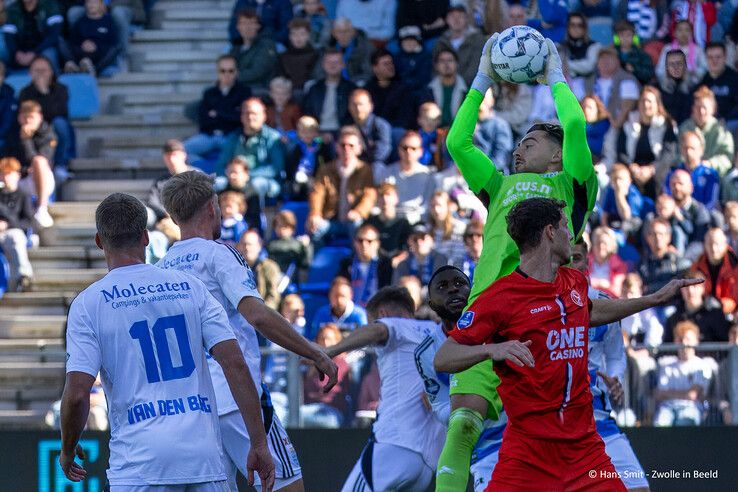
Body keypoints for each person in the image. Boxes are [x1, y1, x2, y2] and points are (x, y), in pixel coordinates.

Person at [434, 197, 698, 490]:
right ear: (549, 232)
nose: (570, 236)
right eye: (564, 227)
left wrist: (652, 300)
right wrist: (491, 349)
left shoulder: (574, 282)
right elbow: (444, 357)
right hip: (528, 456)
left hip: (584, 451)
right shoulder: (500, 298)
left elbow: (591, 311)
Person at [437, 35, 599, 489]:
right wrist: (482, 78)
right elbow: (457, 143)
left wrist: (555, 77)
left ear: (555, 153)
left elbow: (575, 126)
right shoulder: (499, 186)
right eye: (519, 144)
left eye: (530, 143)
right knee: (463, 426)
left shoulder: (574, 183)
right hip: (490, 314)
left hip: (546, 321)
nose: (518, 150)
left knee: (549, 444)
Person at [59, 192, 275, 490]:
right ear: (146, 237)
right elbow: (235, 363)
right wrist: (259, 443)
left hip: (139, 467)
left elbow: (77, 393)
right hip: (205, 462)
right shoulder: (191, 288)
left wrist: (68, 449)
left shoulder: (88, 304)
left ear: (99, 241)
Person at [158, 171, 338, 491]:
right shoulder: (219, 254)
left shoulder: (161, 267)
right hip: (236, 399)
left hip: (189, 407)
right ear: (212, 207)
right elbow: (257, 316)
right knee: (285, 486)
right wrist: (314, 352)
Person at [326, 287, 447, 492]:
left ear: (382, 315)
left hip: (393, 446)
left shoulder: (394, 326)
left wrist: (329, 351)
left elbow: (379, 330)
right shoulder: (440, 334)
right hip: (427, 463)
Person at [416, 266, 507, 492]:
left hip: (520, 433)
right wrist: (466, 409)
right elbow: (437, 404)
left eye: (459, 284)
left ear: (472, 290)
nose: (453, 290)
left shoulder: (501, 327)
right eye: (442, 287)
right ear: (432, 304)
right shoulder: (425, 352)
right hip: (482, 442)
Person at [570, 238, 651, 492]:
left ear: (587, 262)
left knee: (638, 487)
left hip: (598, 417)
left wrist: (613, 378)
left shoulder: (604, 303)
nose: (572, 265)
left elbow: (616, 356)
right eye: (566, 259)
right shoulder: (541, 307)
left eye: (577, 258)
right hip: (556, 423)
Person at [307, 126, 376, 244]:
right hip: (331, 220)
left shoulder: (365, 170)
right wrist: (315, 214)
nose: (346, 149)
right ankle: (312, 261)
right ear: (337, 147)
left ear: (359, 148)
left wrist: (359, 212)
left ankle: (354, 259)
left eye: (351, 146)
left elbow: (370, 195)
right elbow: (317, 194)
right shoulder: (325, 170)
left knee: (358, 227)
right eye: (343, 145)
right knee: (315, 227)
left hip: (353, 221)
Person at [608, 85, 678, 200]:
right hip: (633, 168)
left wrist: (651, 169)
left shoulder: (667, 125)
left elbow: (669, 154)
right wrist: (632, 167)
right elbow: (621, 151)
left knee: (659, 178)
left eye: (649, 101)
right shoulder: (628, 123)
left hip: (656, 168)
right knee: (619, 178)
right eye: (643, 101)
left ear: (657, 104)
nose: (646, 105)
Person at [184, 54, 251, 165]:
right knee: (179, 152)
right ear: (217, 72)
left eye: (231, 71)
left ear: (236, 72)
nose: (226, 74)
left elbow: (241, 118)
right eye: (222, 71)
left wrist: (218, 113)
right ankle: (204, 169)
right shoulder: (209, 93)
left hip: (231, 136)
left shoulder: (244, 92)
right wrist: (230, 112)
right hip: (209, 136)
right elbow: (203, 119)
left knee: (243, 155)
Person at [216, 98, 285, 199]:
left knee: (256, 184)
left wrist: (246, 176)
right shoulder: (233, 138)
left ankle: (253, 214)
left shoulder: (273, 138)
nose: (250, 117)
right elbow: (221, 165)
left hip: (265, 180)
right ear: (242, 117)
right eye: (247, 113)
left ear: (263, 116)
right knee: (216, 184)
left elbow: (276, 168)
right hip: (234, 178)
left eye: (254, 114)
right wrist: (232, 176)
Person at [4, 100, 56, 228]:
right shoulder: (12, 133)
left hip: (40, 181)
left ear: (39, 117)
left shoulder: (48, 134)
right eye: (24, 117)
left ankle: (41, 208)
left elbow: (37, 160)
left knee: (39, 161)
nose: (27, 121)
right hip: (18, 178)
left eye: (31, 117)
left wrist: (26, 140)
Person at [653, 320, 714, 426]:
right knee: (660, 424)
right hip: (667, 408)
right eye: (680, 339)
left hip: (691, 408)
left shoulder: (703, 365)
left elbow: (692, 395)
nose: (684, 343)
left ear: (696, 340)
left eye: (688, 339)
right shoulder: (665, 364)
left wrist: (669, 393)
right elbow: (659, 394)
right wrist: (684, 393)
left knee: (686, 421)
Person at [19, 55, 74, 169]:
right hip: (35, 130)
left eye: (44, 70)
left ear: (51, 72)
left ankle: (61, 164)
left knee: (60, 124)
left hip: (53, 127)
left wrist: (44, 92)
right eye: (37, 71)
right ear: (30, 73)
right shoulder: (25, 92)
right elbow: (24, 114)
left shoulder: (61, 89)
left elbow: (60, 112)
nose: (41, 74)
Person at [375, 130, 436, 225]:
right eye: (405, 148)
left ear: (421, 151)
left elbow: (427, 207)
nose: (408, 151)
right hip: (391, 220)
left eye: (413, 148)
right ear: (399, 150)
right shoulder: (386, 172)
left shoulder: (428, 175)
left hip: (417, 222)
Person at [302, 324, 352, 428]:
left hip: (330, 412)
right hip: (309, 409)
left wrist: (315, 367)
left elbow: (324, 387)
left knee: (290, 416)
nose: (325, 343)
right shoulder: (312, 363)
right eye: (322, 339)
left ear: (337, 342)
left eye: (329, 339)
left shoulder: (341, 362)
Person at [679, 85, 735, 176]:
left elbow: (727, 158)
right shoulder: (684, 128)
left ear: (713, 109)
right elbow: (677, 154)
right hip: (687, 174)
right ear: (693, 108)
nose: (701, 111)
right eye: (698, 107)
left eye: (704, 107)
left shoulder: (721, 131)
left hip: (713, 174)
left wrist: (709, 164)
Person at [336, 223, 394, 307]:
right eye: (360, 240)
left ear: (377, 243)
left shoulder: (386, 265)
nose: (364, 244)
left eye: (369, 241)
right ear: (354, 243)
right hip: (352, 312)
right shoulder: (346, 264)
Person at [301, 49, 356, 136]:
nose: (332, 65)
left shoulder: (351, 89)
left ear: (343, 65)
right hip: (316, 134)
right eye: (329, 62)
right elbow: (307, 113)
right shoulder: (314, 89)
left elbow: (353, 115)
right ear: (323, 65)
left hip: (343, 134)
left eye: (336, 62)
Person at [664, 270, 730, 343]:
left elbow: (725, 345)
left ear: (702, 288)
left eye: (695, 286)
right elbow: (667, 347)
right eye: (686, 287)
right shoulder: (674, 319)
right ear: (681, 290)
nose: (690, 291)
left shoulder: (715, 316)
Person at [583, 47, 640, 129]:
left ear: (618, 61)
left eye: (609, 58)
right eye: (602, 58)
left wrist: (615, 125)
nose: (605, 61)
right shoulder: (588, 81)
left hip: (618, 128)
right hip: (592, 127)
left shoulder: (627, 80)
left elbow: (626, 107)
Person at [0, 157, 33, 292]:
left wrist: (7, 225)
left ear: (17, 175)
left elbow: (28, 222)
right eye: (3, 173)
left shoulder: (23, 195)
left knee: (16, 237)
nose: (5, 177)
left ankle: (24, 277)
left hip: (13, 232)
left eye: (9, 173)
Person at [663, 130, 720, 209]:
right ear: (681, 150)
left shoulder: (710, 175)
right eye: (685, 148)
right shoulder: (673, 173)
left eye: (692, 148)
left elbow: (711, 203)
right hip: (676, 215)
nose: (688, 152)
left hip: (702, 217)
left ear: (701, 150)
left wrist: (695, 214)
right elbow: (667, 197)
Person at [434, 4, 487, 86]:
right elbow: (435, 70)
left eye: (460, 16)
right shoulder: (441, 42)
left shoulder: (478, 40)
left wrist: (457, 84)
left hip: (469, 87)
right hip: (444, 86)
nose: (456, 20)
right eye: (452, 16)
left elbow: (475, 68)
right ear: (447, 20)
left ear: (466, 19)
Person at [63, 0, 120, 76]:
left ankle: (93, 70)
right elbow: (73, 42)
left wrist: (96, 47)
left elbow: (113, 43)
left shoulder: (109, 21)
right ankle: (75, 67)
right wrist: (83, 45)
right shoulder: (80, 21)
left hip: (100, 55)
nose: (91, 5)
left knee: (114, 49)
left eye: (95, 2)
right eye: (89, 2)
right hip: (81, 54)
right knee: (62, 43)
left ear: (101, 4)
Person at [690, 227, 738, 315]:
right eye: (710, 244)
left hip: (729, 315)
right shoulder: (696, 268)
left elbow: (735, 301)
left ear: (725, 245)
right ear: (704, 245)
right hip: (703, 314)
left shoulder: (735, 267)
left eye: (717, 244)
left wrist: (720, 304)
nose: (713, 248)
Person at [3, 0, 62, 70]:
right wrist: (17, 53)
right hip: (21, 52)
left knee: (50, 52)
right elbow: (9, 37)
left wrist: (34, 53)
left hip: (42, 49)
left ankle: (54, 79)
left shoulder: (50, 5)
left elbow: (53, 36)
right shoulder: (12, 9)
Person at [639, 217, 691, 293]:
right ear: (648, 238)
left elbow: (679, 287)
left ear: (669, 237)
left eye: (661, 234)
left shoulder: (680, 262)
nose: (657, 238)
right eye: (654, 234)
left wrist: (650, 288)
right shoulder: (642, 265)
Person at [229, 10, 278, 91]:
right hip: (239, 89)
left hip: (260, 89)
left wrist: (232, 76)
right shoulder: (235, 49)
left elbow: (258, 72)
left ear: (258, 26)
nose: (247, 27)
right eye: (243, 23)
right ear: (238, 27)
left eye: (251, 23)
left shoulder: (267, 45)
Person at [364, 181, 412, 260]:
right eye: (381, 195)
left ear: (396, 198)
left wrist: (398, 260)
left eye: (388, 195)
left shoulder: (404, 224)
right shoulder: (370, 223)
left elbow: (407, 250)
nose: (384, 199)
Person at [237, 229, 283, 311]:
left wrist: (262, 313)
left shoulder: (269, 267)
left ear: (259, 246)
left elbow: (273, 296)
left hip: (263, 314)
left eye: (250, 245)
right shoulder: (234, 268)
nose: (247, 248)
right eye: (244, 244)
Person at [698, 42, 738, 133]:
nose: (714, 61)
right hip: (707, 122)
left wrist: (726, 119)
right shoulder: (703, 80)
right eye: (710, 57)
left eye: (718, 57)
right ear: (706, 59)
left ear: (725, 58)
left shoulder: (735, 79)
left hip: (729, 123)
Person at [393, 224, 449, 288]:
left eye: (423, 237)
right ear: (409, 241)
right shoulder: (403, 263)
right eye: (415, 239)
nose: (419, 242)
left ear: (431, 240)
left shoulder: (441, 260)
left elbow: (443, 287)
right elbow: (396, 288)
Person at [347, 89, 392, 166]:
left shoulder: (381, 125)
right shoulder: (347, 126)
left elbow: (381, 153)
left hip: (376, 168)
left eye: (361, 104)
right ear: (349, 107)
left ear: (370, 106)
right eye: (354, 104)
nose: (358, 108)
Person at [475, 88, 514, 174]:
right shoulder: (467, 124)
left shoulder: (500, 125)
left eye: (484, 98)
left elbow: (501, 160)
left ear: (492, 101)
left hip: (491, 175)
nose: (480, 102)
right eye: (477, 98)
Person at [325, 17, 373, 85]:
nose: (343, 35)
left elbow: (368, 72)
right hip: (332, 84)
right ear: (333, 33)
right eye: (339, 32)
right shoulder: (327, 48)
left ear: (353, 32)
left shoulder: (365, 48)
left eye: (346, 31)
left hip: (355, 85)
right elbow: (319, 72)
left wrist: (349, 84)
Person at [266, 210, 311, 281]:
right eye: (278, 226)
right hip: (272, 277)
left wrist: (306, 247)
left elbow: (305, 263)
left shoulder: (298, 244)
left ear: (292, 229)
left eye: (285, 226)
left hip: (290, 279)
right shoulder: (270, 244)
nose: (281, 229)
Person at [429, 48, 468, 128]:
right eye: (442, 61)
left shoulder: (467, 90)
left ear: (457, 64)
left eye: (450, 60)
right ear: (436, 66)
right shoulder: (428, 91)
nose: (446, 64)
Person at [428, 190, 467, 267]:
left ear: (448, 206)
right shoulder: (428, 229)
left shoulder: (459, 228)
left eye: (439, 205)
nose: (436, 210)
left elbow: (459, 258)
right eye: (432, 206)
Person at [278, 18, 319, 91]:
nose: (298, 38)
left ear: (308, 36)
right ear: (290, 36)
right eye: (294, 34)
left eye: (302, 34)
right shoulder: (283, 57)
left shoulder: (316, 55)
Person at [588, 226, 629, 298]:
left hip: (609, 302)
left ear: (612, 246)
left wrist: (593, 283)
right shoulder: (585, 262)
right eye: (598, 243)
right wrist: (602, 284)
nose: (601, 246)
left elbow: (617, 291)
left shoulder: (619, 266)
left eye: (604, 243)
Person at [658, 49, 695, 125]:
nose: (676, 67)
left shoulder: (694, 88)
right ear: (666, 67)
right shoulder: (658, 88)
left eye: (679, 63)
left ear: (685, 65)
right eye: (671, 64)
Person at [613, 20, 654, 86]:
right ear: (616, 38)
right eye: (622, 35)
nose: (625, 38)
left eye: (628, 35)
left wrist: (634, 69)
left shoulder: (642, 55)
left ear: (634, 37)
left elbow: (648, 74)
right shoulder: (612, 53)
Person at [562, 12, 601, 78]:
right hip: (566, 83)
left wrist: (567, 65)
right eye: (572, 25)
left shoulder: (594, 46)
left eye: (580, 25)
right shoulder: (560, 46)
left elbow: (589, 67)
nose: (575, 28)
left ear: (585, 28)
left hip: (587, 85)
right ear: (568, 27)